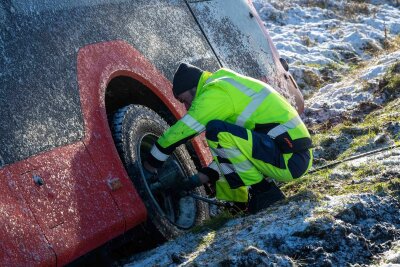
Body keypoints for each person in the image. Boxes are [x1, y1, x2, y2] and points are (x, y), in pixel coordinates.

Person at [144, 63, 313, 213]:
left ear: (193, 88)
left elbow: (181, 131)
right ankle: (243, 201)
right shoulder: (225, 82)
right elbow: (232, 154)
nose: (187, 108)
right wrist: (194, 181)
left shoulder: (215, 92)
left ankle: (264, 193)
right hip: (291, 153)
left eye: (184, 100)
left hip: (289, 159)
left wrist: (151, 164)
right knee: (220, 134)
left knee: (216, 132)